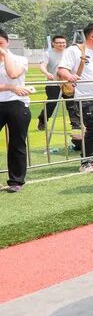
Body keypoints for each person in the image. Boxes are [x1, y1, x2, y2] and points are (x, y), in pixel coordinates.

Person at [56, 23, 93, 173]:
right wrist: (70, 76)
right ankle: (85, 161)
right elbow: (62, 69)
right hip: (86, 97)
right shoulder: (75, 50)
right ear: (92, 36)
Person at [0, 28, 31, 193]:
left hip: (17, 104)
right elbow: (11, 83)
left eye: (0, 43)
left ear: (7, 42)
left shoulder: (20, 59)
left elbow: (13, 74)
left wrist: (5, 55)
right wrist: (10, 87)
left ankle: (16, 181)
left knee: (17, 143)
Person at [36, 34, 74, 130]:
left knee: (72, 104)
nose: (61, 44)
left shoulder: (70, 53)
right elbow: (42, 65)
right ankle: (43, 120)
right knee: (52, 103)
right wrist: (47, 73)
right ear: (53, 43)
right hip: (53, 83)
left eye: (63, 43)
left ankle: (75, 124)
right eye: (58, 43)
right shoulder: (48, 53)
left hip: (68, 83)